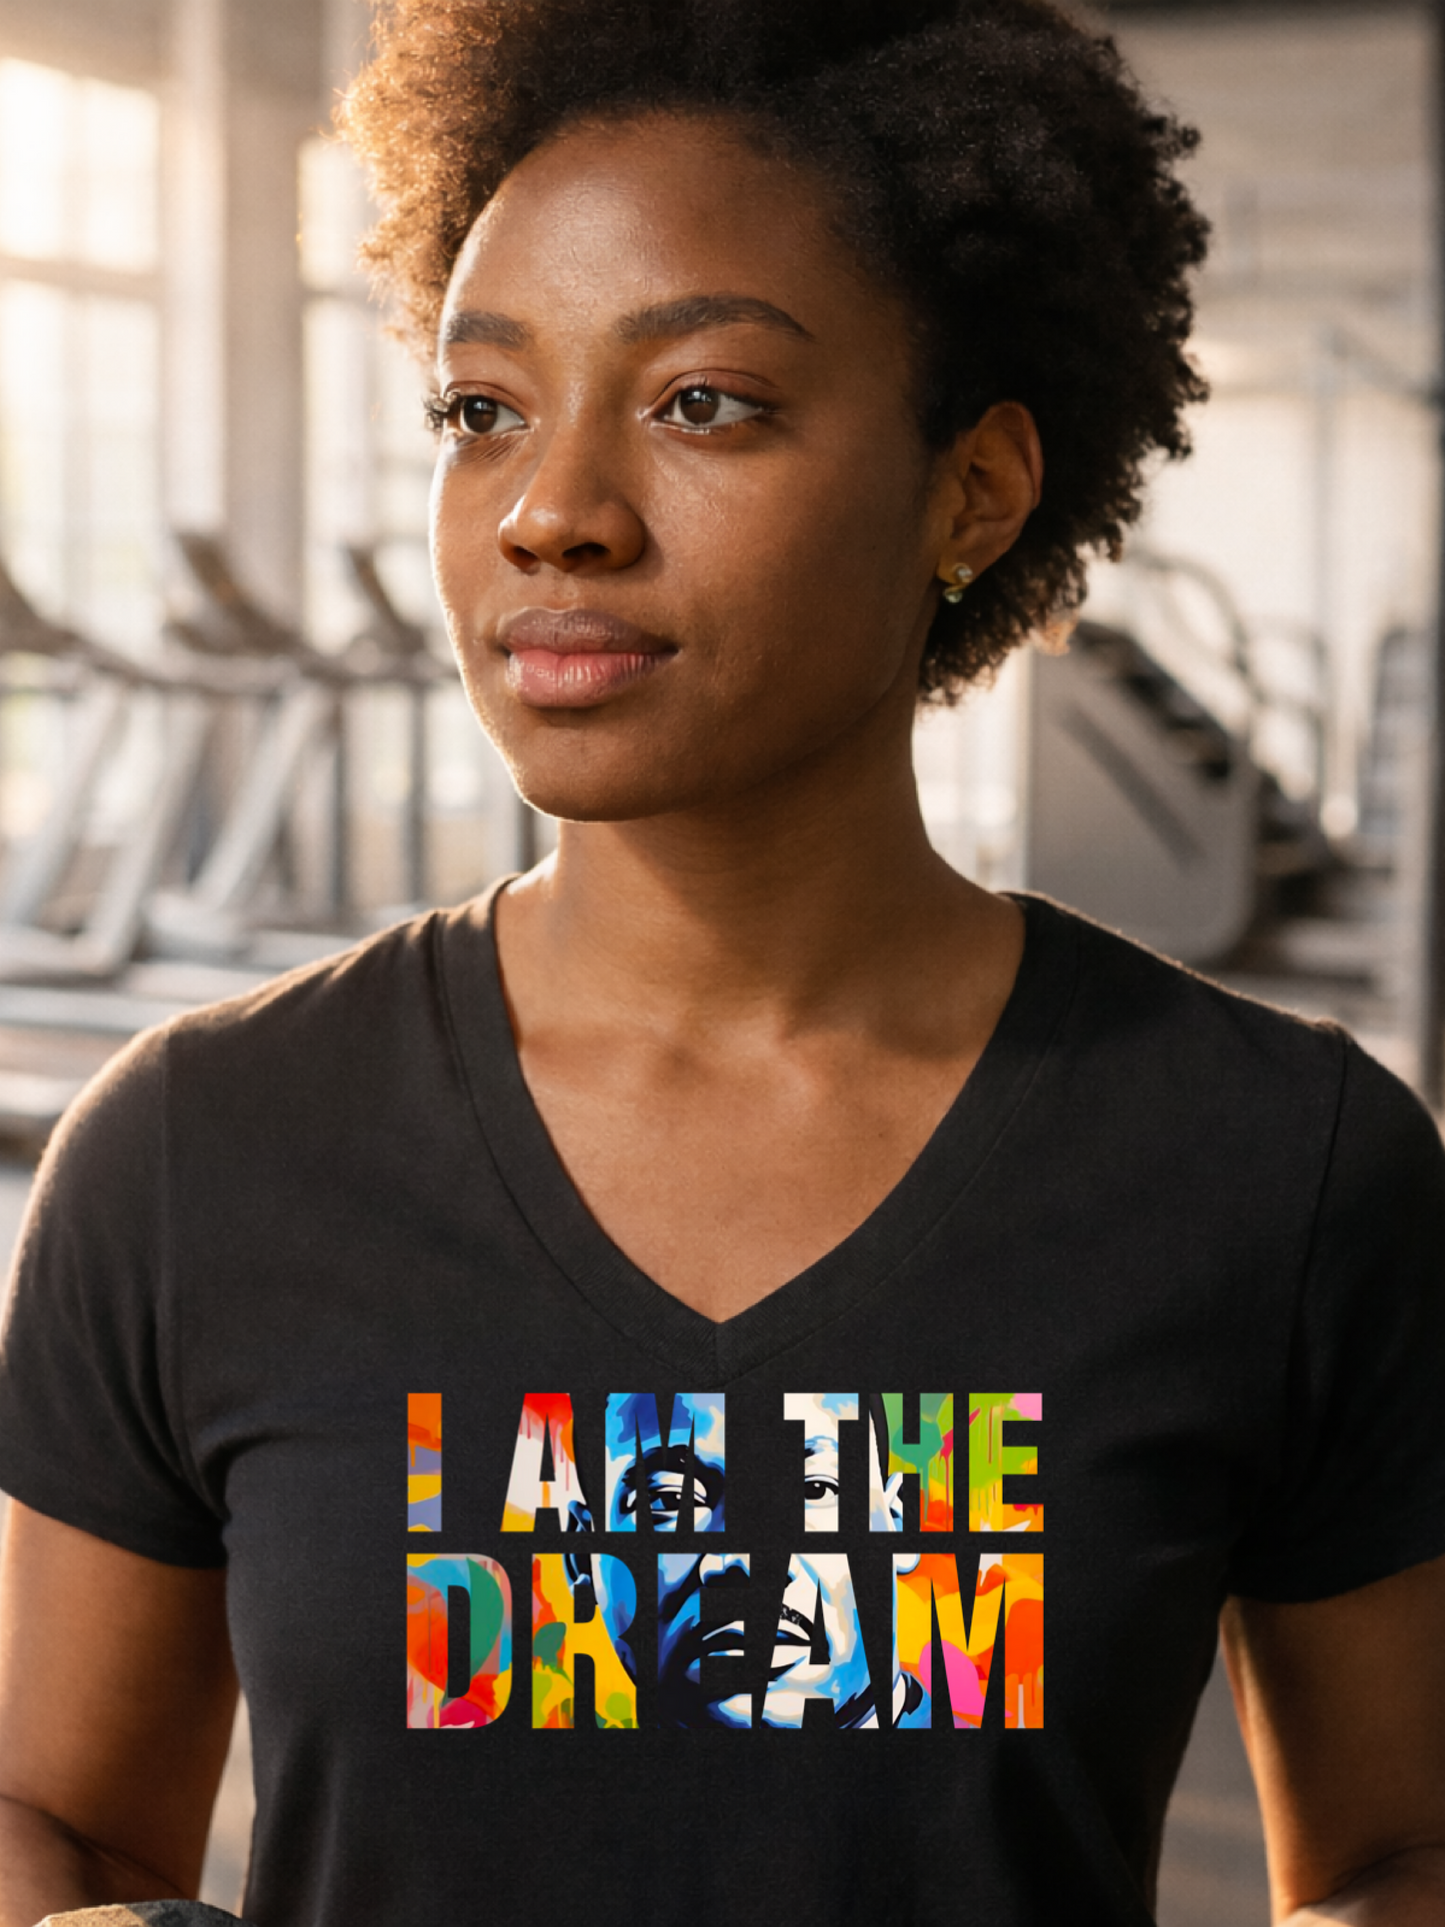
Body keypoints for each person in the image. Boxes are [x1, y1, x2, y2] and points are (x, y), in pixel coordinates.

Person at [1, 0, 1445, 1920]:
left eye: (703, 403)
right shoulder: (196, 1154)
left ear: (974, 489)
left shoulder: (1286, 1167)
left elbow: (1399, 1852)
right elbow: (64, 1826)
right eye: (482, 411)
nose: (553, 514)